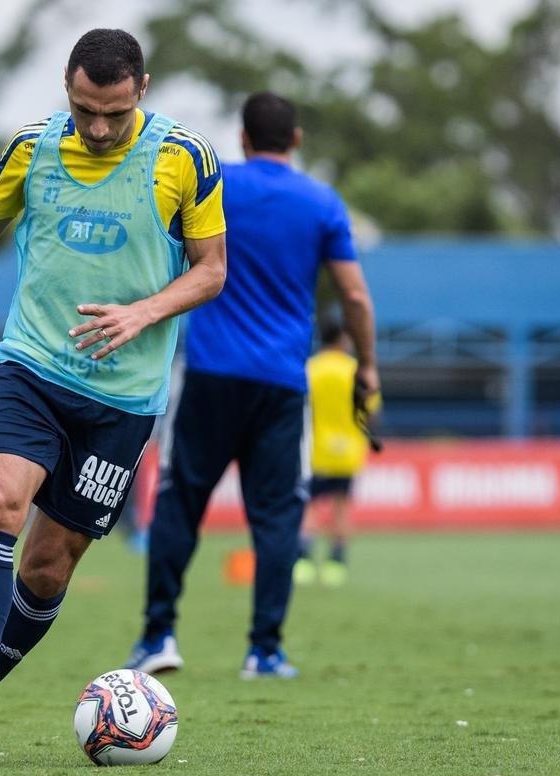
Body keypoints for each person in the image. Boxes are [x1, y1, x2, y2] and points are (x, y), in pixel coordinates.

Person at [0, 29, 226, 758]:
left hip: (123, 400)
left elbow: (211, 269)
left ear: (142, 90)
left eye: (114, 114)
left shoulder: (184, 157)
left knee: (47, 565)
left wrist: (143, 312)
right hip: (30, 367)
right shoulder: (31, 149)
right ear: (67, 84)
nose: (98, 128)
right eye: (85, 109)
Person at [125, 92, 378, 679]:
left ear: (242, 138)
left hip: (210, 374)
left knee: (180, 503)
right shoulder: (321, 201)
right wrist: (367, 364)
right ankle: (264, 650)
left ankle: (158, 635)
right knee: (277, 516)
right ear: (296, 140)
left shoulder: (217, 184)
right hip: (281, 384)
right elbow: (354, 295)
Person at [294, 319, 382, 588]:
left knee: (309, 507)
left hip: (315, 450)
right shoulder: (356, 371)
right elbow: (372, 410)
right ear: (343, 340)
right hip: (348, 451)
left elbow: (296, 407)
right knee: (342, 508)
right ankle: (336, 565)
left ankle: (303, 562)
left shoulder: (310, 369)